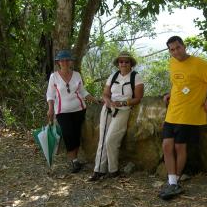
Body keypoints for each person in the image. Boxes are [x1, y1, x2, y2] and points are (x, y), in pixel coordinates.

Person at [159, 36, 207, 200]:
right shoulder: (172, 63)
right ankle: (172, 181)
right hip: (173, 111)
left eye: (178, 48)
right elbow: (177, 82)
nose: (175, 52)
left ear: (184, 46)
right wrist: (170, 93)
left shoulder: (199, 63)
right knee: (167, 146)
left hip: (190, 113)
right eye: (172, 49)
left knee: (180, 147)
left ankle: (174, 183)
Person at [88, 51, 144, 181]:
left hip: (123, 110)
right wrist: (108, 102)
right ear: (118, 64)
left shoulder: (136, 77)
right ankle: (99, 170)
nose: (123, 64)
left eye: (126, 61)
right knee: (102, 140)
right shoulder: (113, 76)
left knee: (111, 139)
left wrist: (123, 102)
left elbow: (138, 98)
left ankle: (113, 170)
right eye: (121, 61)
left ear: (131, 63)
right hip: (107, 109)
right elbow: (105, 94)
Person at [46, 49, 96, 173]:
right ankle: (73, 161)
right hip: (62, 112)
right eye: (62, 60)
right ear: (58, 62)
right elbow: (50, 94)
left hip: (79, 109)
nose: (65, 62)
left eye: (67, 60)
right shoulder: (54, 76)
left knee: (77, 134)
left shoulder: (77, 75)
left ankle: (76, 160)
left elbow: (82, 91)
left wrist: (94, 99)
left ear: (70, 62)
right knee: (68, 135)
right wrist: (50, 108)